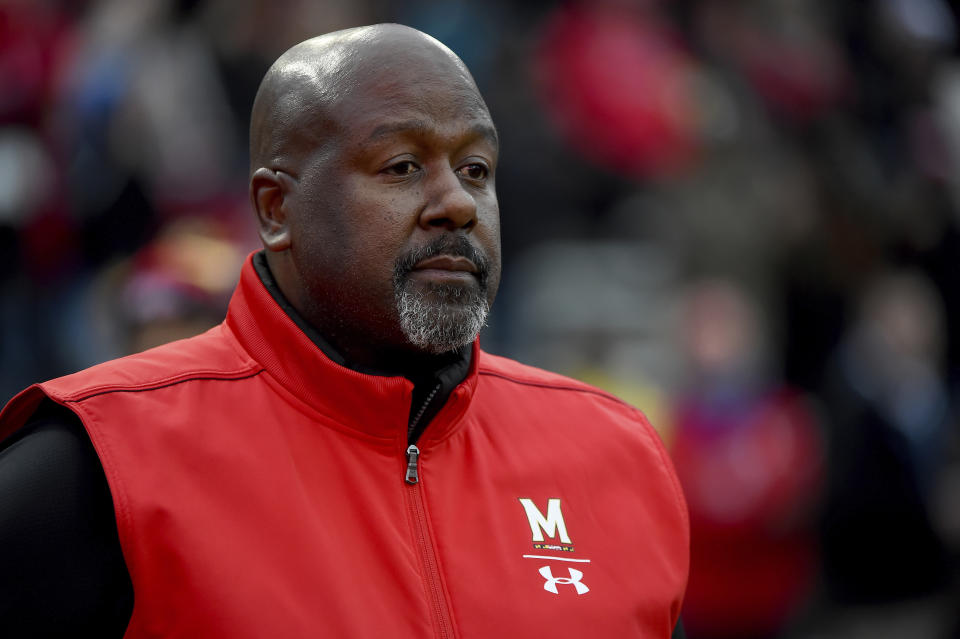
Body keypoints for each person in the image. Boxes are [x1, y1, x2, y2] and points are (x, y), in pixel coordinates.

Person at [0, 24, 688, 638]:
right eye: (402, 167)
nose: (456, 202)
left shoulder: (618, 455)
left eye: (475, 169)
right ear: (277, 209)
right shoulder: (96, 461)